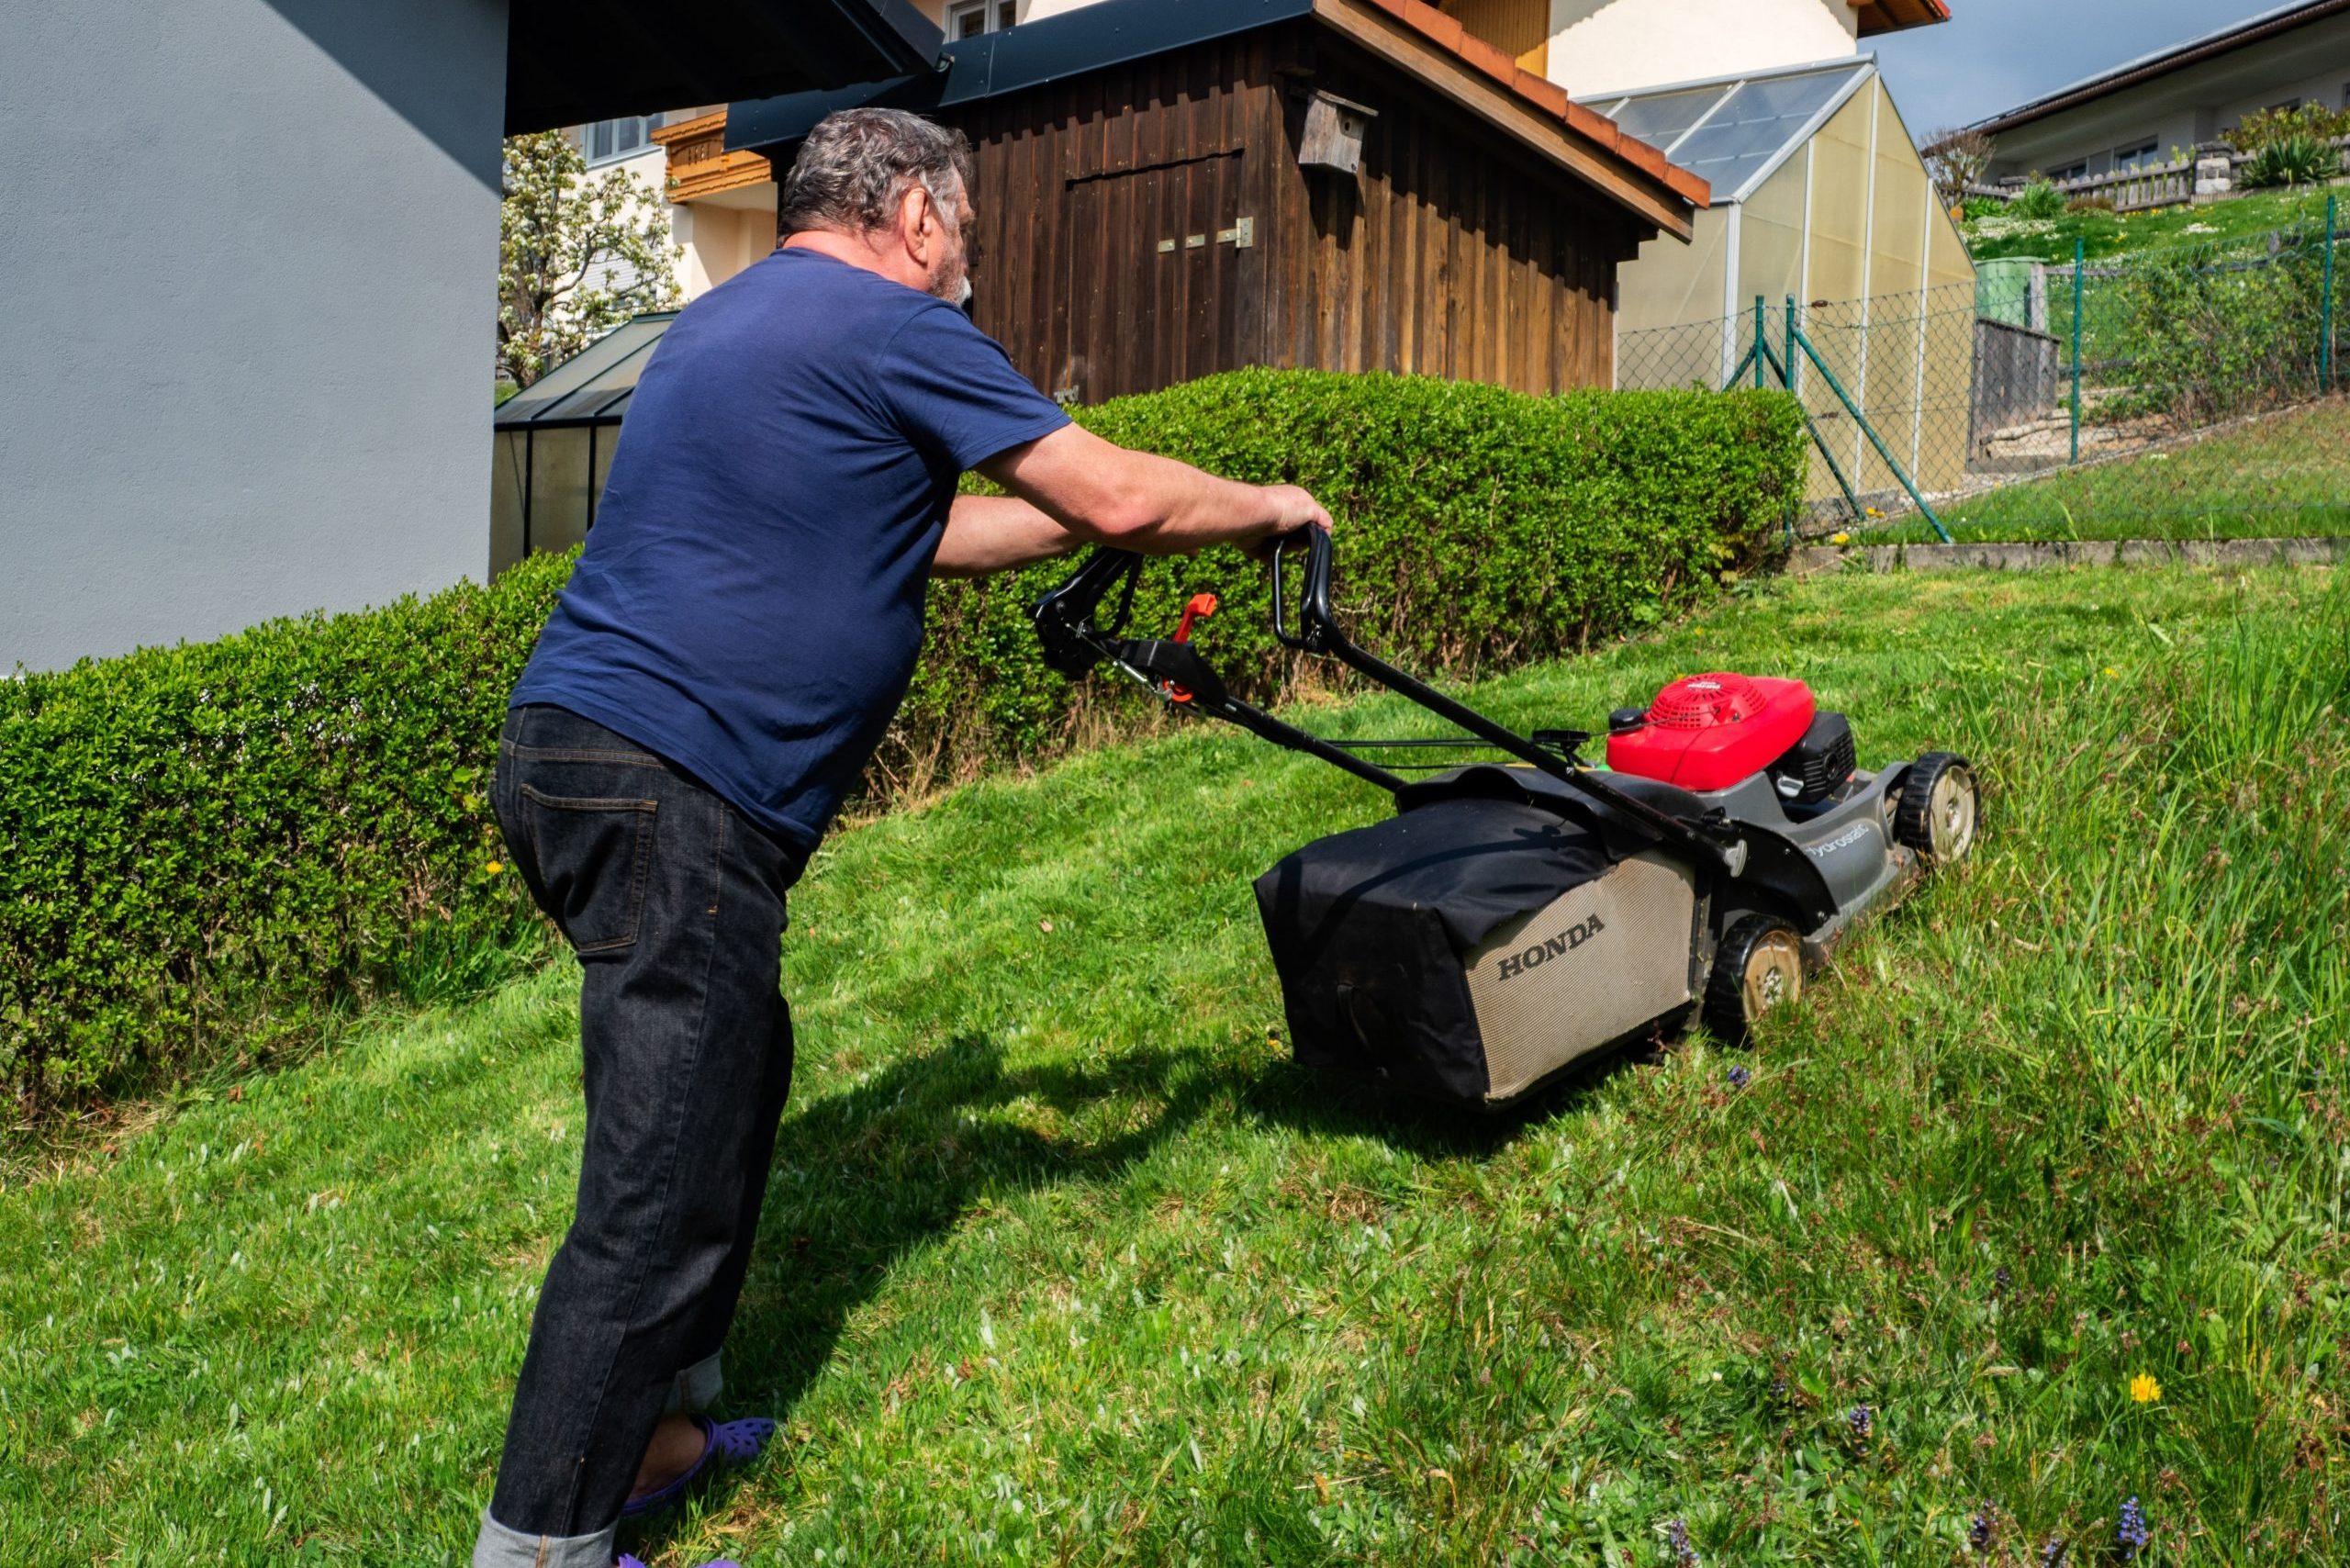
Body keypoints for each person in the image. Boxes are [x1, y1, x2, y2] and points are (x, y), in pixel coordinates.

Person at [475, 106, 1331, 1568]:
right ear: (917, 218)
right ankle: (542, 1546)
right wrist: (1262, 508)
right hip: (677, 781)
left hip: (566, 757)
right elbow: (1116, 486)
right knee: (652, 1179)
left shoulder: (725, 327)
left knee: (735, 1074)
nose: (967, 270)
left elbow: (920, 529)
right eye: (968, 240)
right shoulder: (888, 323)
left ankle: (657, 1435)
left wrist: (1078, 524)